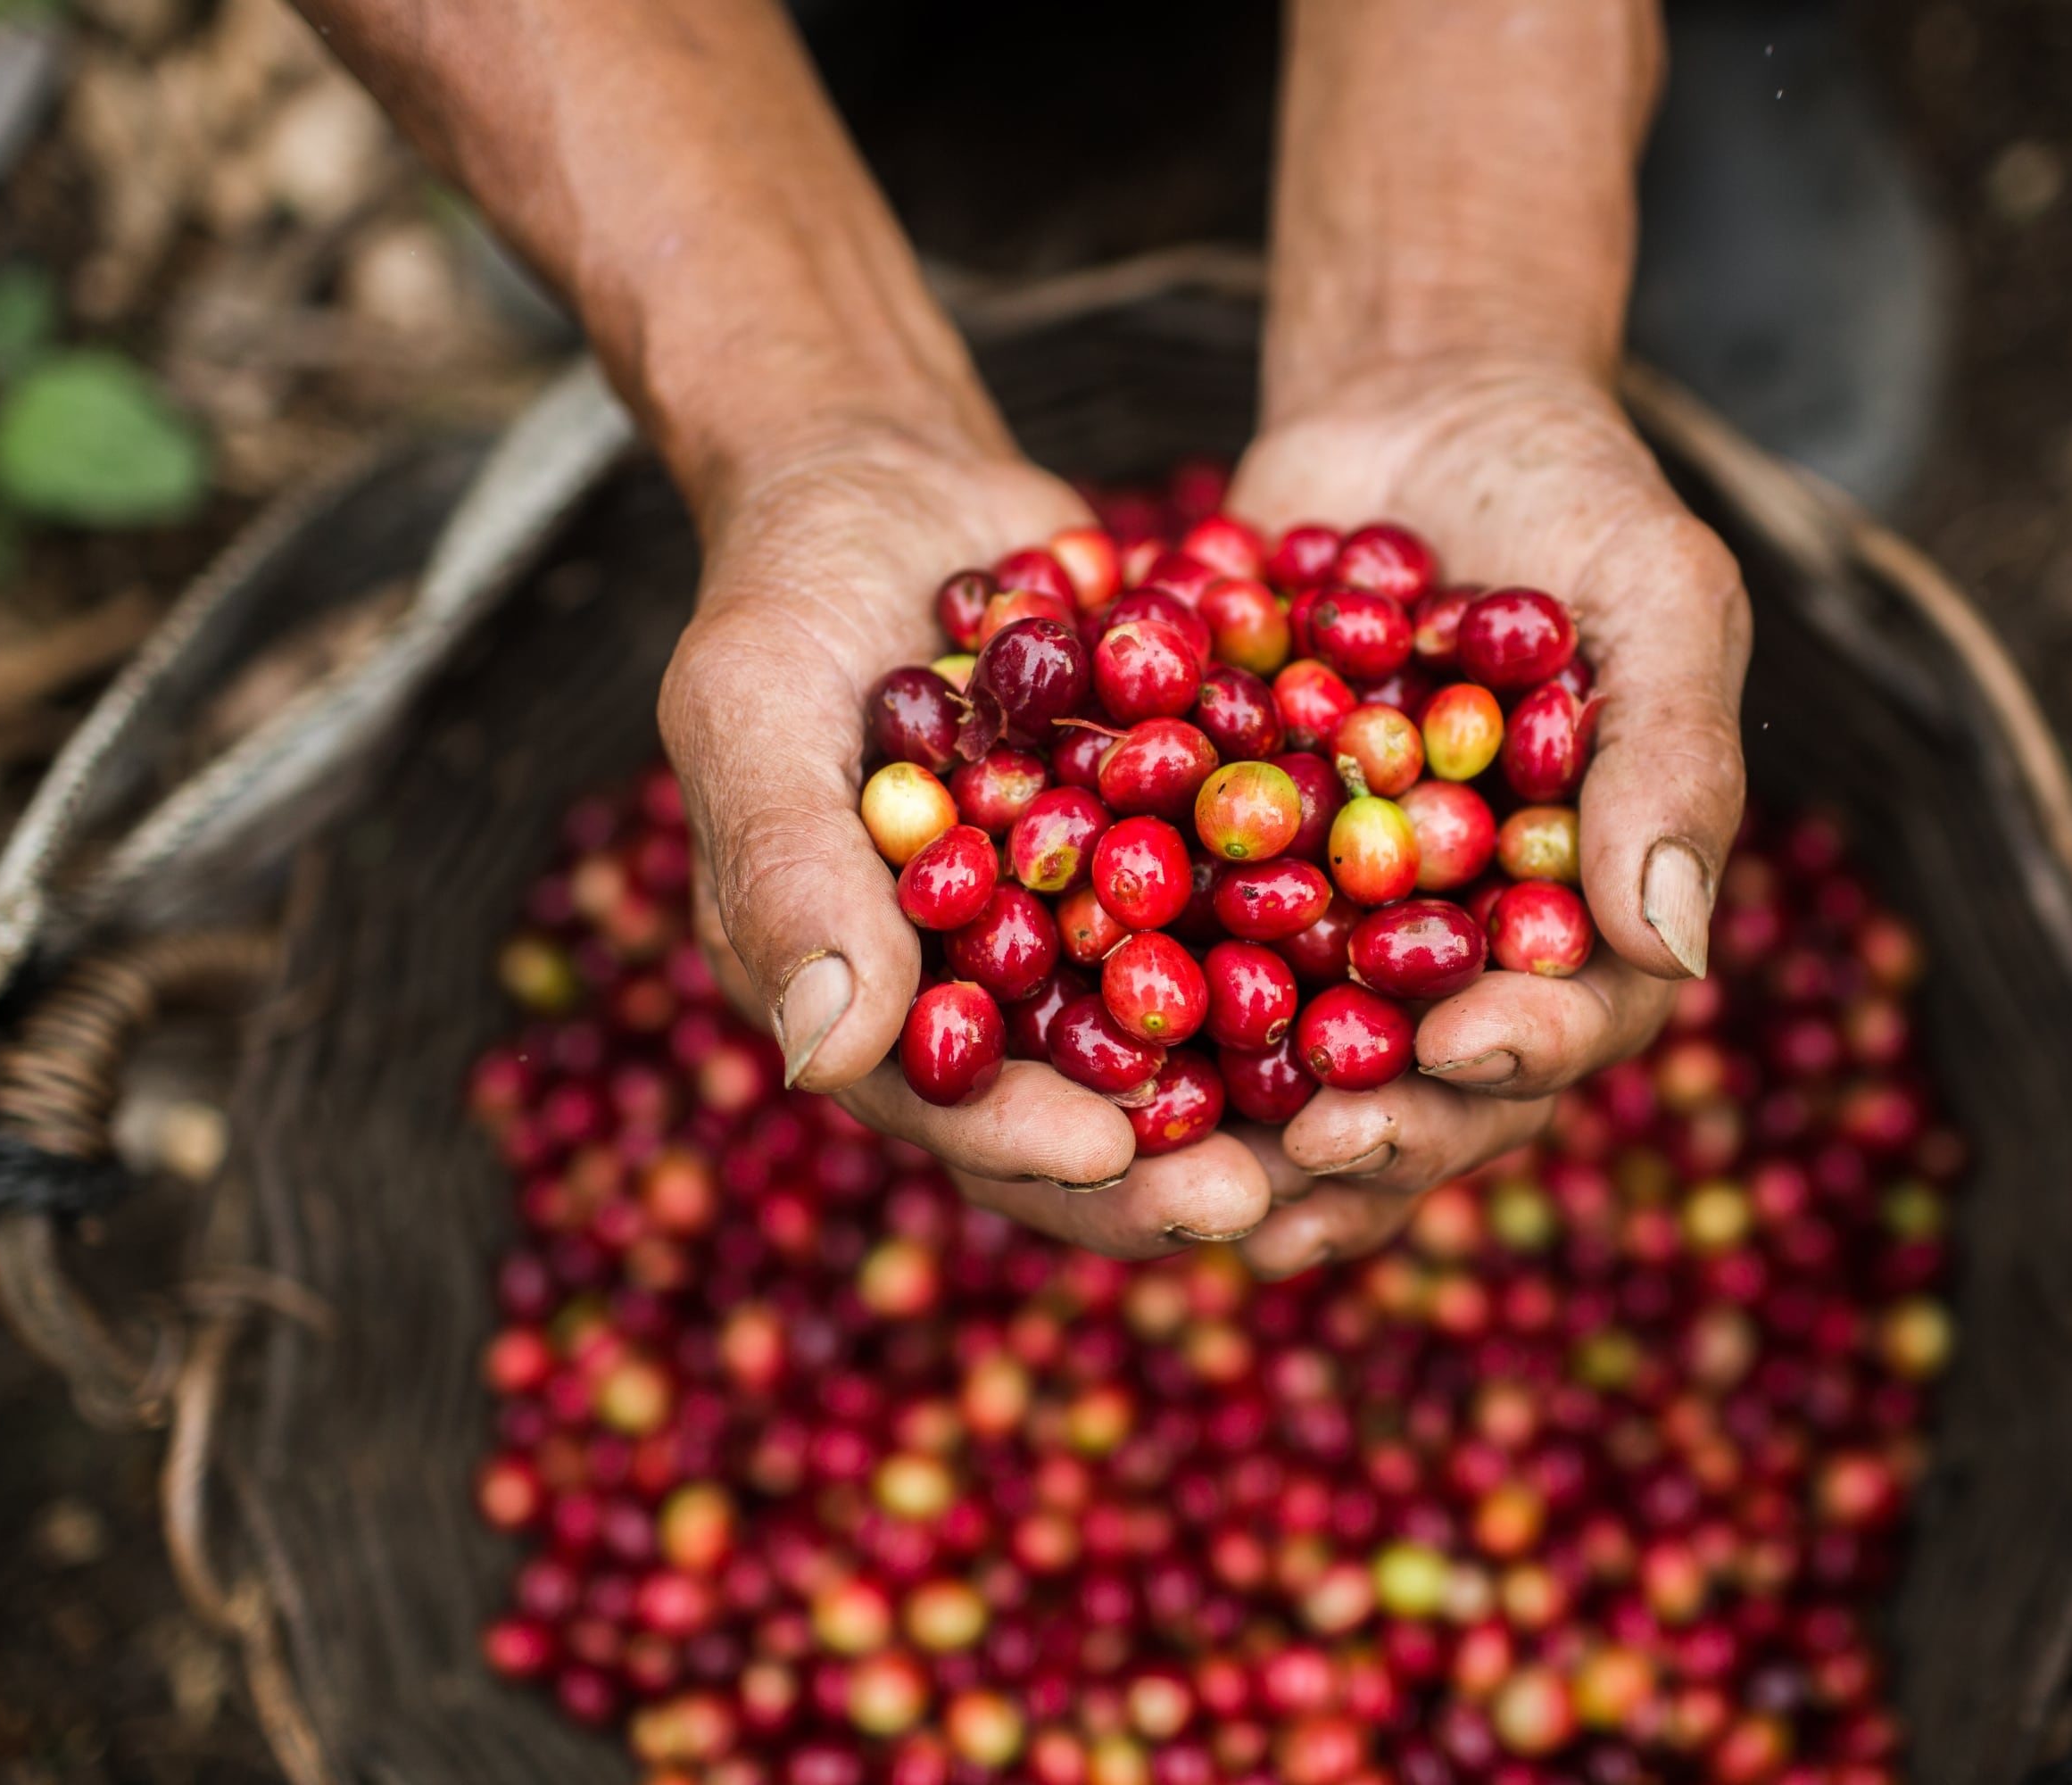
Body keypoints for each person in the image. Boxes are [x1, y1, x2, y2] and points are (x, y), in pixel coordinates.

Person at [294, 0, 1755, 1278]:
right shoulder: (1139, 783)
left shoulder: (1205, 780)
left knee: (1758, 300)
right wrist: (789, 387)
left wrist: (1467, 316)